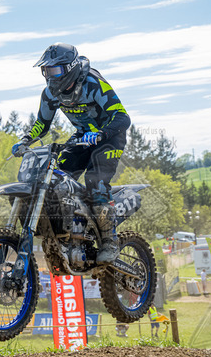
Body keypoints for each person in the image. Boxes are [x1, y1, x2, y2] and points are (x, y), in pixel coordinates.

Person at [12, 43, 131, 264]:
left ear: (70, 68)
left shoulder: (94, 84)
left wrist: (101, 134)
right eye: (46, 70)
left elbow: (123, 117)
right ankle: (73, 229)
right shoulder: (50, 94)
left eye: (55, 70)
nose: (50, 76)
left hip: (109, 138)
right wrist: (26, 140)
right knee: (56, 179)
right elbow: (42, 124)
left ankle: (110, 241)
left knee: (95, 181)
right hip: (82, 137)